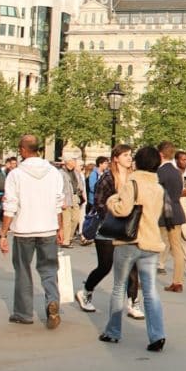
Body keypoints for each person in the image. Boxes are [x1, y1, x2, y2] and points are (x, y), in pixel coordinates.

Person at [98, 145, 167, 352]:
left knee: (119, 286)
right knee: (150, 291)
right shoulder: (158, 187)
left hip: (130, 241)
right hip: (151, 240)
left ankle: (113, 331)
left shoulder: (132, 183)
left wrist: (112, 200)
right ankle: (157, 334)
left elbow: (122, 209)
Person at [0, 135, 64, 329]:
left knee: (23, 270)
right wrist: (60, 227)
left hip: (24, 229)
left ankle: (23, 312)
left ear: (23, 150)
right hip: (48, 227)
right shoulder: (54, 172)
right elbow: (59, 203)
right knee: (49, 269)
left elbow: (10, 206)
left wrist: (3, 232)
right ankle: (52, 300)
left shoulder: (16, 174)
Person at [76, 144, 143, 320]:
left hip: (128, 229)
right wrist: (116, 214)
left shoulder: (133, 178)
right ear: (116, 158)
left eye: (130, 155)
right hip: (107, 228)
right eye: (125, 155)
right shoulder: (107, 178)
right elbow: (98, 203)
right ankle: (86, 291)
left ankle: (133, 302)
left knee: (132, 267)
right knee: (105, 266)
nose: (129, 158)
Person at [155, 142, 186, 292]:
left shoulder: (160, 172)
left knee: (154, 246)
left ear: (160, 154)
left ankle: (146, 278)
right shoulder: (177, 172)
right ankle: (177, 281)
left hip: (163, 213)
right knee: (177, 248)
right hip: (176, 211)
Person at [59, 158, 85, 248]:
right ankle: (66, 241)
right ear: (68, 162)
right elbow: (59, 187)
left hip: (75, 196)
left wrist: (81, 191)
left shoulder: (76, 172)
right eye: (73, 161)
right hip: (65, 197)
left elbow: (80, 183)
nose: (75, 163)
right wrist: (61, 201)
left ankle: (69, 237)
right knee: (67, 220)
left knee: (76, 219)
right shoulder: (61, 173)